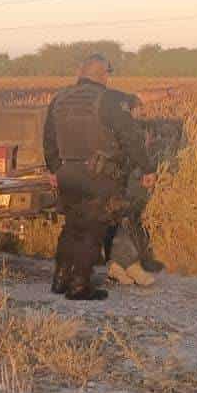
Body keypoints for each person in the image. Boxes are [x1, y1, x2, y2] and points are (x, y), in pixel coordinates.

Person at [42, 55, 154, 300]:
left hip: (66, 173)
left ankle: (60, 280)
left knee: (71, 226)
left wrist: (54, 169)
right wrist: (147, 168)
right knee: (92, 229)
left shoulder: (59, 99)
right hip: (99, 174)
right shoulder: (109, 99)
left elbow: (49, 139)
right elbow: (131, 138)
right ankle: (79, 285)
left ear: (81, 73)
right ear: (104, 74)